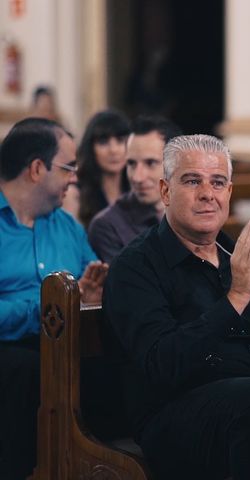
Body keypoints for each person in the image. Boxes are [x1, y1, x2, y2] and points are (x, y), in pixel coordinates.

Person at [103, 134, 250, 480]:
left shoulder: (237, 255)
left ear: (229, 193)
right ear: (166, 191)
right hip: (171, 416)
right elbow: (160, 366)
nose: (207, 193)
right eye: (192, 181)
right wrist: (236, 299)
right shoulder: (135, 267)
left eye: (218, 183)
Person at [0, 118, 107, 479]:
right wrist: (47, 311)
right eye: (68, 168)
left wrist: (90, 300)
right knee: (26, 371)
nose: (75, 178)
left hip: (65, 344)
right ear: (36, 168)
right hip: (10, 349)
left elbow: (87, 286)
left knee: (113, 366)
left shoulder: (66, 226)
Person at [88, 115, 182, 262]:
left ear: (176, 165)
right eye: (131, 164)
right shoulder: (107, 226)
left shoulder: (192, 212)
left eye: (150, 163)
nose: (137, 177)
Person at [67, 110, 131, 227]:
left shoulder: (137, 191)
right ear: (91, 148)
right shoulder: (75, 194)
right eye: (103, 142)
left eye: (120, 141)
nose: (113, 150)